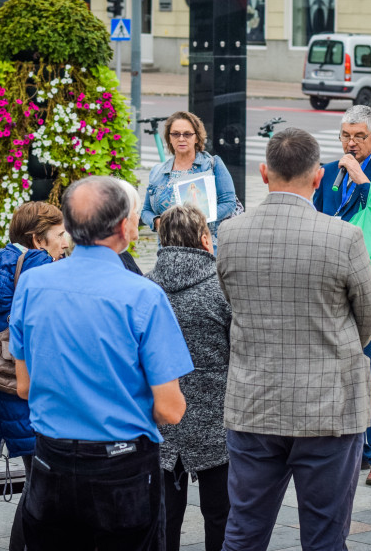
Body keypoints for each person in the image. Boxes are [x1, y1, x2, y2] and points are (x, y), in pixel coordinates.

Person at [216, 128, 371, 551]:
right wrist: (331, 343)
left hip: (254, 402)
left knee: (244, 531)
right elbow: (370, 316)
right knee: (325, 537)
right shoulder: (343, 236)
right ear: (319, 177)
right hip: (328, 407)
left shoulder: (230, 235)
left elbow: (230, 306)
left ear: (263, 173)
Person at [9, 176, 194, 551]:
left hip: (50, 460)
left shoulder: (32, 285)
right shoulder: (144, 295)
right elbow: (171, 409)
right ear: (124, 227)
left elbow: (24, 386)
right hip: (121, 466)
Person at [313, 105, 371, 486]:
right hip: (332, 290)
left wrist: (362, 179)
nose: (351, 144)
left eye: (359, 137)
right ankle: (358, 452)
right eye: (346, 136)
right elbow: (317, 220)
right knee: (337, 372)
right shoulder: (327, 175)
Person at [0, 201, 66, 551]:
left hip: (4, 383)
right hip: (36, 386)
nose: (66, 242)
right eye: (58, 235)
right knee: (41, 488)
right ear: (37, 239)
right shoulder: (41, 267)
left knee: (37, 481)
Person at [147, 204, 231, 551]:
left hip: (161, 420)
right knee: (221, 517)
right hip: (217, 422)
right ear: (204, 238)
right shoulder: (221, 287)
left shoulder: (145, 288)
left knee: (164, 520)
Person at [141, 111, 237, 245]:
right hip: (167, 250)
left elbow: (229, 203)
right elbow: (146, 211)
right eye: (175, 134)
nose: (181, 139)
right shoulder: (157, 171)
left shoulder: (212, 165)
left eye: (187, 134)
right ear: (169, 138)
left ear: (197, 137)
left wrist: (193, 221)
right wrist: (158, 222)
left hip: (204, 247)